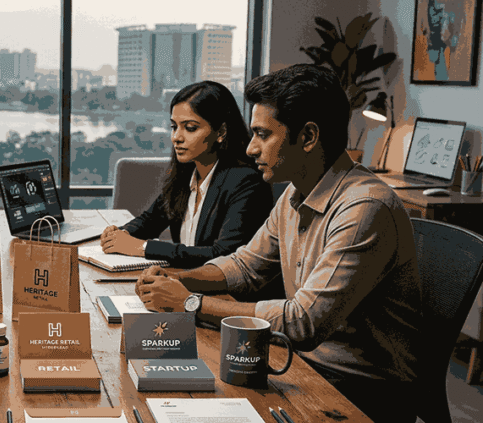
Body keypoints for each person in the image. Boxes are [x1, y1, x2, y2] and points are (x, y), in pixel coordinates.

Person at [136, 64, 422, 423]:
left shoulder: (364, 208)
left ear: (307, 137)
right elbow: (245, 265)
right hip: (301, 365)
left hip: (360, 391)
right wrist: (182, 279)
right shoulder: (293, 194)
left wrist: (191, 302)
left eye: (262, 134)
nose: (251, 148)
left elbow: (303, 321)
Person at [100, 81, 273, 269]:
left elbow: (223, 255)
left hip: (221, 294)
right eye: (174, 127)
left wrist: (143, 247)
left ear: (221, 131)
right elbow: (150, 220)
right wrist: (121, 234)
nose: (177, 137)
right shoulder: (187, 173)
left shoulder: (246, 181)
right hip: (182, 284)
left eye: (190, 128)